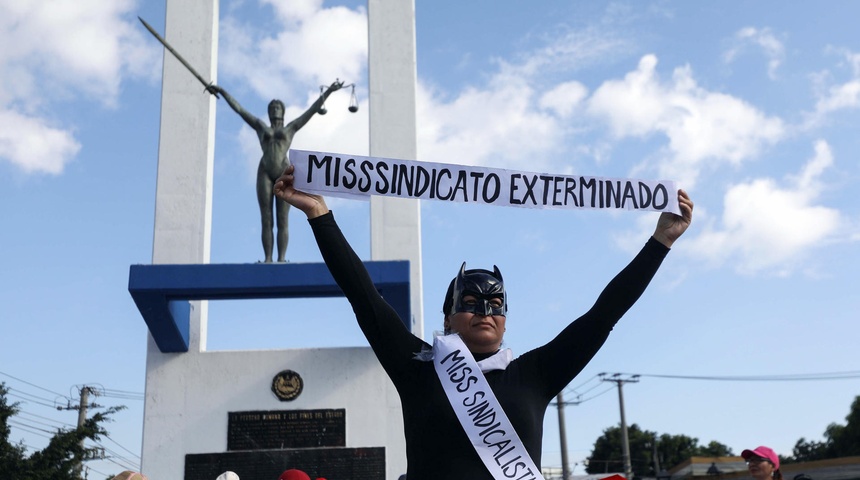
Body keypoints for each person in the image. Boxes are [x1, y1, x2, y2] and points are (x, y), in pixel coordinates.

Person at [274, 165, 693, 480]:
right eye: (471, 303)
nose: (485, 312)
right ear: (448, 317)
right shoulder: (415, 366)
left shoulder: (536, 373)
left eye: (496, 304)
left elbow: (604, 315)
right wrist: (318, 213)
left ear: (506, 321)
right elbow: (363, 296)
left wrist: (661, 243)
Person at [206, 80, 343, 262]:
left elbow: (311, 111)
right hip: (264, 171)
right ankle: (268, 259)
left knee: (282, 219)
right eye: (272, 107)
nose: (275, 110)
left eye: (278, 107)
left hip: (283, 172)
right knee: (266, 218)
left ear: (283, 111)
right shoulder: (261, 127)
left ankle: (281, 258)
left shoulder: (290, 128)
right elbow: (239, 110)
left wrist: (330, 92)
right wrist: (222, 90)